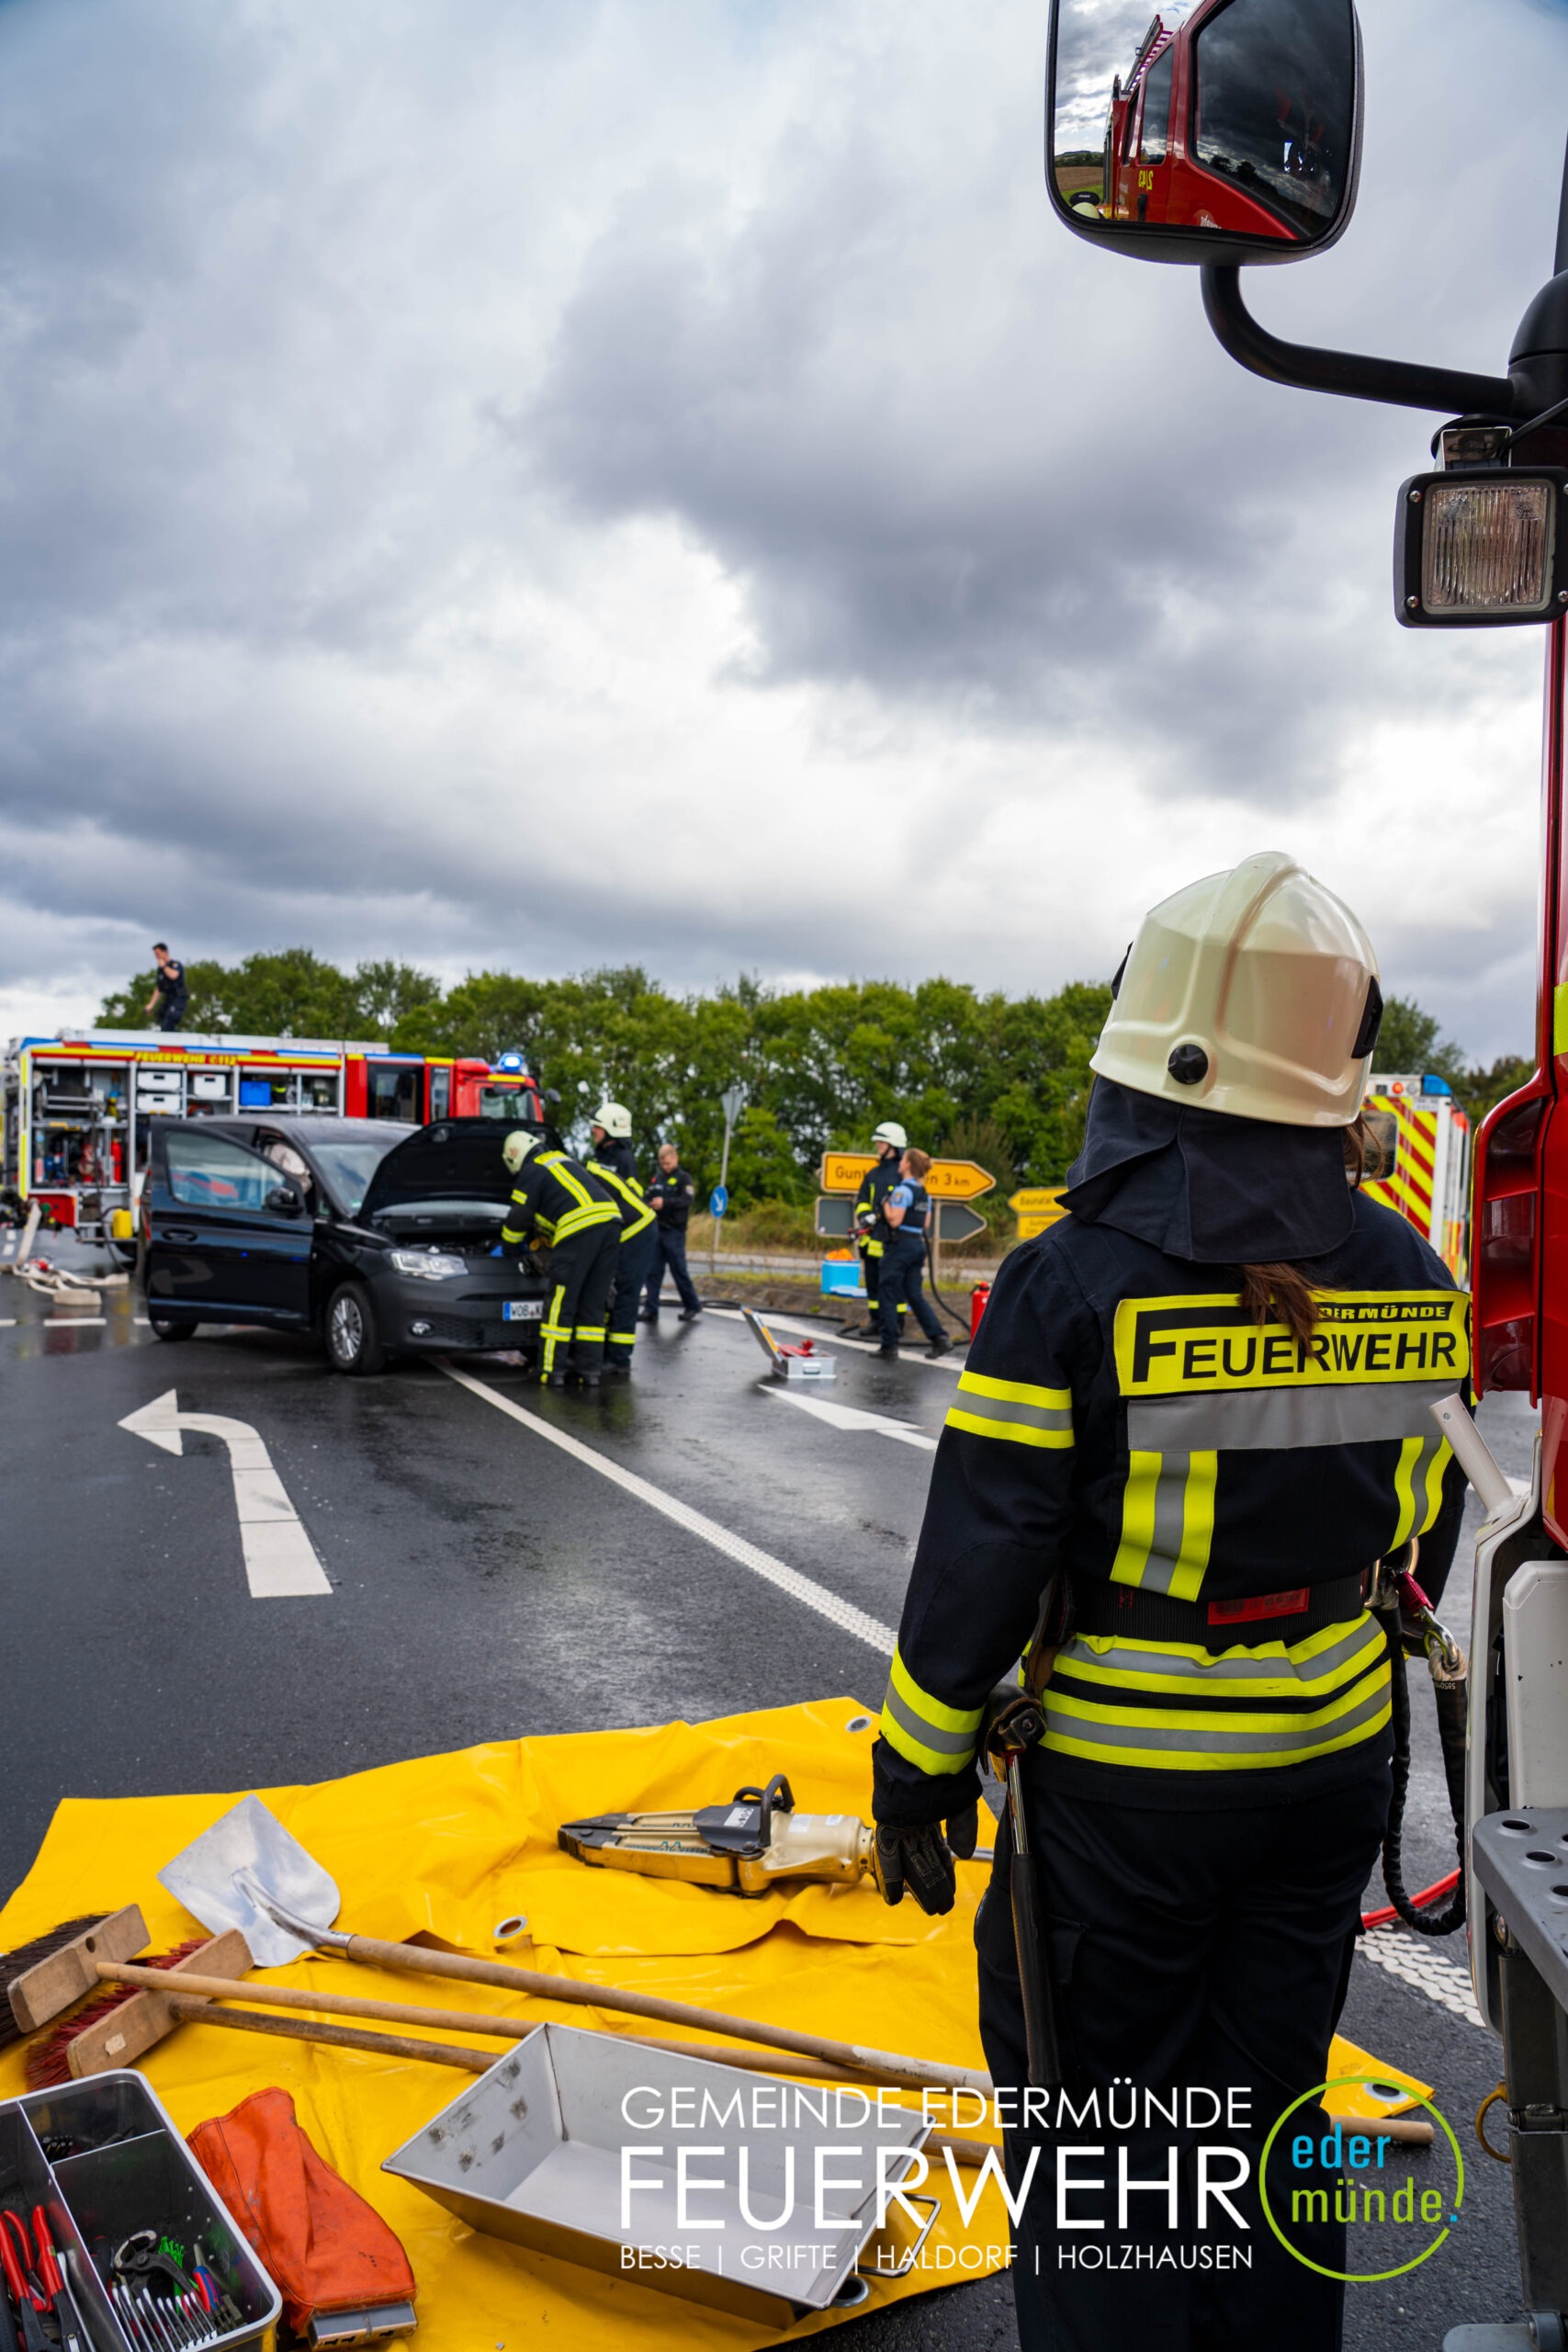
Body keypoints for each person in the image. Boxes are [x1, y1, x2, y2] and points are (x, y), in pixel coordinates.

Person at [869, 852, 1469, 2352]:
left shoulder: (1068, 1281)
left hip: (1125, 1803)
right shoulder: (1405, 1267)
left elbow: (984, 1557)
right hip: (1328, 1772)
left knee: (1105, 2148)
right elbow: (1423, 1521)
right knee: (1272, 2117)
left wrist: (914, 1771)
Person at [499, 1131, 621, 1387]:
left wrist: (509, 1247)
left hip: (580, 1226)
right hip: (611, 1222)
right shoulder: (562, 1160)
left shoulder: (532, 1169)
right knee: (593, 1303)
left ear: (513, 1157)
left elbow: (520, 1216)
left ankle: (550, 1371)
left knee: (559, 1303)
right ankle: (590, 1372)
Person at [584, 1101, 657, 1373]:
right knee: (609, 1291)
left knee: (626, 1292)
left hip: (635, 1232)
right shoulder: (601, 1157)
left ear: (611, 1129)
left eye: (597, 1127)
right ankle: (607, 1350)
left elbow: (631, 1197)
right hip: (619, 1232)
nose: (593, 1131)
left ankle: (619, 1359)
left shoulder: (623, 1160)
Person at [875, 1148, 952, 1361]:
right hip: (917, 1245)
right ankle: (939, 1338)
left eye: (903, 1160)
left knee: (888, 1292)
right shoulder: (924, 1193)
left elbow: (894, 1220)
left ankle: (889, 1346)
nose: (900, 1163)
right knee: (914, 1294)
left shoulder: (902, 1191)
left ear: (908, 1165)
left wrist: (885, 1204)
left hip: (899, 1246)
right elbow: (925, 1223)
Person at [852, 1122, 907, 1340]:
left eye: (882, 1142)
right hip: (871, 1239)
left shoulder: (902, 1174)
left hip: (893, 1240)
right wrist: (864, 1215)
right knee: (872, 1284)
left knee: (894, 1285)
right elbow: (862, 1199)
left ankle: (897, 1323)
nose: (878, 1146)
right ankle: (876, 1320)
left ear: (894, 1144)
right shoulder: (873, 1174)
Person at [638, 1142, 703, 1323]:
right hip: (658, 1230)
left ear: (675, 1158)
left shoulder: (684, 1178)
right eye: (662, 1163)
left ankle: (692, 1305)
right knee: (653, 1271)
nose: (665, 1166)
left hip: (674, 1231)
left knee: (679, 1270)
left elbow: (687, 1200)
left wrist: (665, 1203)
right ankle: (650, 1310)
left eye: (667, 1163)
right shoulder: (657, 1179)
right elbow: (647, 1196)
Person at [144, 944, 188, 1032]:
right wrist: (151, 1004)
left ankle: (180, 1038)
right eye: (155, 954)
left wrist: (164, 966)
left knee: (169, 1022)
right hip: (168, 999)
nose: (156, 956)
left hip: (178, 998)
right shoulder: (161, 970)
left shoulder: (175, 964)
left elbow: (174, 975)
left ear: (165, 952)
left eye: (158, 954)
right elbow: (159, 988)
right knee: (160, 1016)